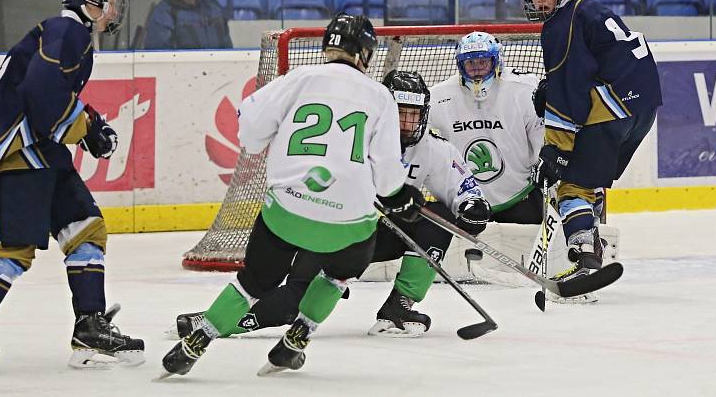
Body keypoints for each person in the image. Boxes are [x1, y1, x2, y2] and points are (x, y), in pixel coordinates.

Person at [160, 13, 420, 378]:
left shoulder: (296, 79)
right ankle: (298, 337)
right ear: (364, 53)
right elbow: (388, 173)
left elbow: (249, 133)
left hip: (286, 212)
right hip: (348, 224)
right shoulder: (379, 95)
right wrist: (400, 195)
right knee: (337, 276)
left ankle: (197, 341)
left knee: (252, 283)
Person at [0, 0, 144, 374]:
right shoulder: (67, 31)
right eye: (110, 0)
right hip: (24, 151)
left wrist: (90, 125)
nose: (115, 9)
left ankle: (90, 328)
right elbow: (40, 92)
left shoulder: (68, 32)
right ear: (89, 0)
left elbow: (51, 93)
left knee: (86, 228)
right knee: (15, 247)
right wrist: (84, 129)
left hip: (41, 151)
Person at [169, 70, 491, 340]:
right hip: (341, 228)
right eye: (400, 112)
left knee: (436, 218)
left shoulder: (432, 148)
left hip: (380, 236)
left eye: (414, 114)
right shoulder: (353, 136)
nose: (406, 123)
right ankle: (225, 320)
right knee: (294, 302)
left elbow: (463, 187)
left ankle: (399, 305)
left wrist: (473, 206)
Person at [522, 0, 661, 275]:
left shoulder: (559, 26)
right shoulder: (588, 9)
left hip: (612, 108)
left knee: (572, 184)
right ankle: (590, 232)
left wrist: (555, 150)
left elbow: (568, 93)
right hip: (644, 106)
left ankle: (584, 255)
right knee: (590, 177)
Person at [428, 31, 545, 224]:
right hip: (468, 205)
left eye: (482, 62)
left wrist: (545, 157)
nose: (477, 69)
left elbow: (540, 132)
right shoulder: (439, 96)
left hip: (519, 197)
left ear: (496, 60)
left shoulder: (523, 89)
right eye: (470, 63)